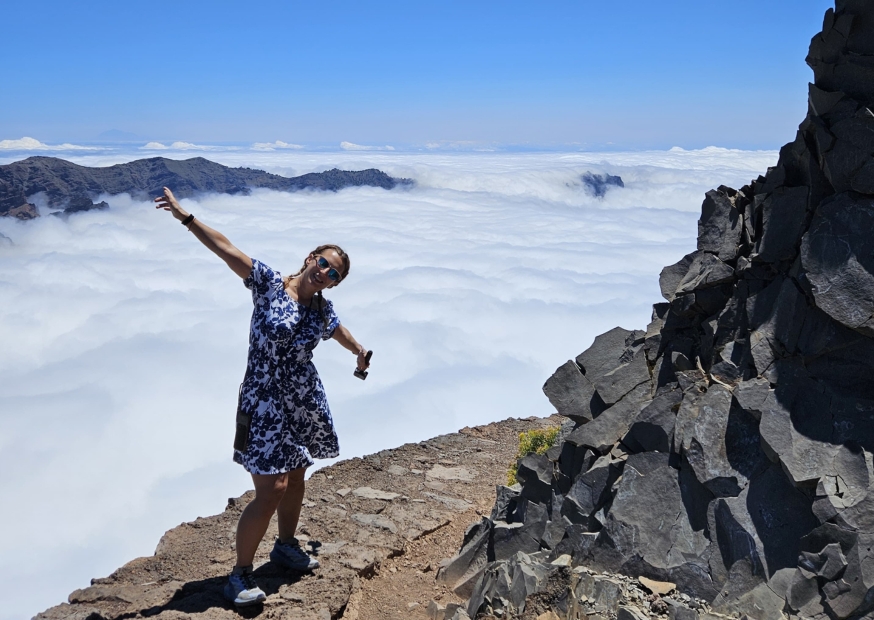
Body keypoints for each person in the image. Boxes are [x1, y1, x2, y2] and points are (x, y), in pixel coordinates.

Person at [154, 187, 370, 608]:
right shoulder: (270, 285)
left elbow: (337, 330)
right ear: (310, 258)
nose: (325, 272)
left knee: (297, 475)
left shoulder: (321, 310)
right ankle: (239, 574)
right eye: (323, 262)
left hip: (302, 400)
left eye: (334, 274)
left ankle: (285, 546)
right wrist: (186, 217)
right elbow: (227, 249)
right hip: (264, 402)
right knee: (271, 489)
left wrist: (360, 352)